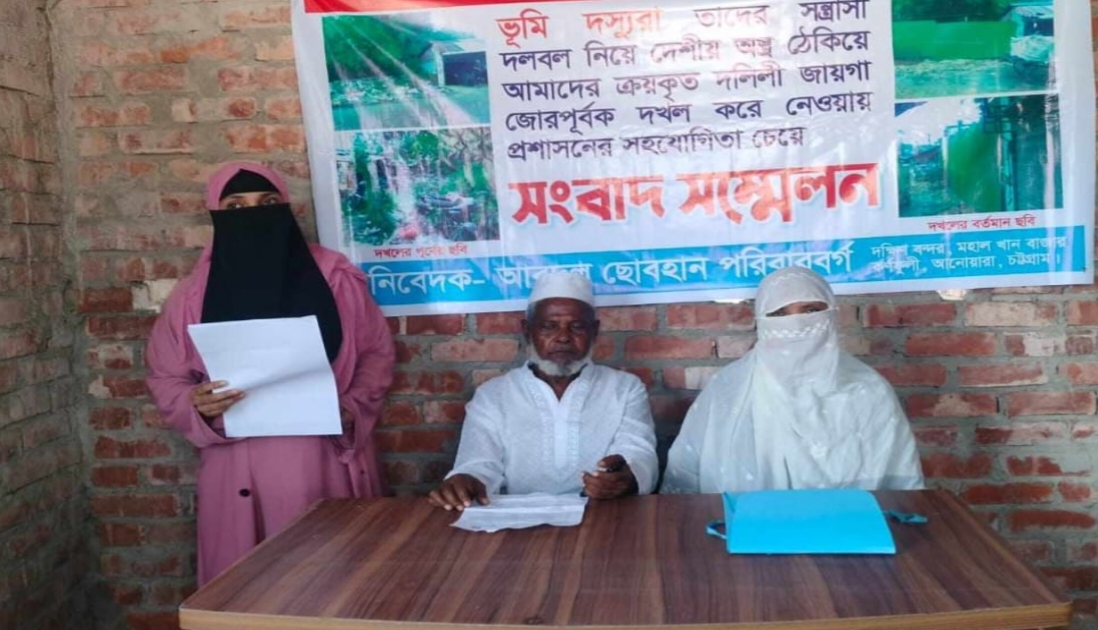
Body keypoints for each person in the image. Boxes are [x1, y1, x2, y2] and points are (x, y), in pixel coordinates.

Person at [146, 162, 395, 585]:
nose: (253, 214)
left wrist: (351, 407)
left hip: (325, 458)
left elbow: (376, 354)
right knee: (249, 588)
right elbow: (165, 375)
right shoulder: (193, 295)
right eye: (235, 206)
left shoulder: (335, 279)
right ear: (215, 214)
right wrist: (196, 404)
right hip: (239, 465)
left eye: (267, 202)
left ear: (286, 206)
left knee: (336, 582)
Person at [661, 266, 923, 494]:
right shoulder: (727, 390)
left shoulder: (869, 390)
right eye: (779, 314)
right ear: (761, 321)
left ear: (832, 315)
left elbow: (901, 488)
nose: (796, 324)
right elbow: (686, 476)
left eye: (810, 310)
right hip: (749, 530)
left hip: (850, 531)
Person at [429, 271, 657, 509]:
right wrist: (466, 481)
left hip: (602, 514)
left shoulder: (624, 388)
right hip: (517, 520)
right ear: (527, 330)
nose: (563, 337)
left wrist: (627, 478)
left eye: (577, 327)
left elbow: (637, 453)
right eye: (549, 327)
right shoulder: (493, 395)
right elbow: (478, 464)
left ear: (594, 331)